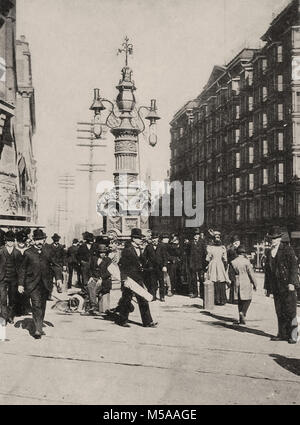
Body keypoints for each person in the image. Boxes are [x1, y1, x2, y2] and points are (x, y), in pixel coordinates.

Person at [18, 229, 63, 339]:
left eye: (41, 239)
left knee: (42, 306)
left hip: (46, 284)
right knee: (36, 305)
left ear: (44, 240)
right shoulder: (28, 252)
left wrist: (58, 279)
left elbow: (56, 265)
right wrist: (20, 284)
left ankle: (39, 325)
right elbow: (22, 269)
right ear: (33, 240)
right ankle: (38, 329)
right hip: (32, 284)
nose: (39, 242)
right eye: (37, 239)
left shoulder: (49, 251)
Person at [264, 226, 300, 344]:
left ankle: (293, 335)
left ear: (279, 238)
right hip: (276, 286)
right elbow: (268, 271)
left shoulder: (287, 250)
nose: (272, 241)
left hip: (287, 284)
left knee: (290, 310)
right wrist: (267, 287)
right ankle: (282, 334)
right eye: (271, 238)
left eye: (274, 238)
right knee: (279, 310)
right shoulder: (269, 251)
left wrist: (292, 283)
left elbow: (294, 267)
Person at [116, 228, 157, 328]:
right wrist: (124, 279)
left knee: (142, 298)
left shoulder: (139, 249)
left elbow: (142, 262)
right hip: (129, 279)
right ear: (133, 239)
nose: (140, 240)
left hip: (138, 278)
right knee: (127, 299)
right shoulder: (127, 250)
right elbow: (121, 265)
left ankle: (147, 322)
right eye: (138, 238)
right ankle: (123, 320)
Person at [0, 231, 23, 326]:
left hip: (14, 279)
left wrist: (20, 282)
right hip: (2, 278)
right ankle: (3, 317)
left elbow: (21, 268)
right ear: (5, 241)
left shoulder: (17, 253)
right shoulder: (1, 251)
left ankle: (10, 315)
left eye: (11, 241)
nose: (10, 243)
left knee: (13, 298)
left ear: (14, 241)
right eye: (8, 241)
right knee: (3, 298)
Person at [231, 245, 257, 324]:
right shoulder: (246, 262)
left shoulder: (233, 262)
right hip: (246, 281)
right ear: (244, 253)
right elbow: (251, 273)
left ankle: (240, 318)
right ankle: (243, 312)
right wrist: (255, 283)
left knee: (240, 300)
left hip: (237, 281)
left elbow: (231, 273)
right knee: (248, 299)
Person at [84, 244, 112, 316]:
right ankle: (93, 305)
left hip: (104, 280)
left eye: (104, 252)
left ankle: (93, 306)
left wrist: (102, 278)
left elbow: (109, 272)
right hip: (94, 278)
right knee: (89, 286)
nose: (102, 254)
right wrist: (90, 277)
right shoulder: (94, 258)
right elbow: (89, 269)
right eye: (101, 252)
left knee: (95, 288)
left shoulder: (108, 260)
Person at [206, 231, 230, 306]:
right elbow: (225, 259)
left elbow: (207, 258)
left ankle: (216, 299)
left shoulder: (210, 248)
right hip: (220, 264)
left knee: (214, 280)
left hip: (213, 264)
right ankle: (222, 299)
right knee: (221, 280)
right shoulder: (222, 248)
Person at [15, 230, 31, 316]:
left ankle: (25, 308)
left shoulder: (28, 250)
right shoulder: (14, 250)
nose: (21, 243)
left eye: (23, 241)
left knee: (26, 291)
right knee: (15, 291)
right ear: (17, 241)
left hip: (25, 273)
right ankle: (17, 309)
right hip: (15, 273)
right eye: (19, 241)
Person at [189, 228, 206, 298]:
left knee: (201, 278)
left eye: (197, 234)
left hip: (200, 263)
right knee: (193, 279)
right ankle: (195, 293)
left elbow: (205, 253)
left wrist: (204, 263)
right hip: (193, 263)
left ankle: (202, 294)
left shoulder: (202, 242)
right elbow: (188, 253)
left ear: (199, 235)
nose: (196, 236)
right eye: (195, 234)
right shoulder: (191, 242)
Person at [227, 235, 241, 304]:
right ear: (233, 243)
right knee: (233, 283)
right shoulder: (231, 250)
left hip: (236, 268)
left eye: (238, 243)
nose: (237, 244)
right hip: (232, 268)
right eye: (235, 243)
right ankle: (233, 299)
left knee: (236, 283)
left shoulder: (238, 249)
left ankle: (234, 298)